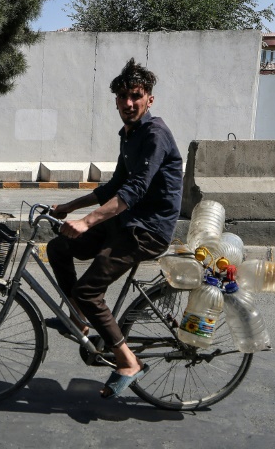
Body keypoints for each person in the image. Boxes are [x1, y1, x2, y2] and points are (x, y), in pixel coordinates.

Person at [46, 58, 183, 399]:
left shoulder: (155, 134)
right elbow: (114, 186)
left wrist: (88, 220)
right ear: (116, 101)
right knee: (58, 247)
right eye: (123, 98)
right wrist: (69, 207)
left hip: (147, 231)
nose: (129, 104)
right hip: (126, 222)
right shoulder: (128, 134)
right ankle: (80, 320)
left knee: (88, 290)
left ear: (149, 98)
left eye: (136, 96)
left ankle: (127, 361)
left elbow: (134, 189)